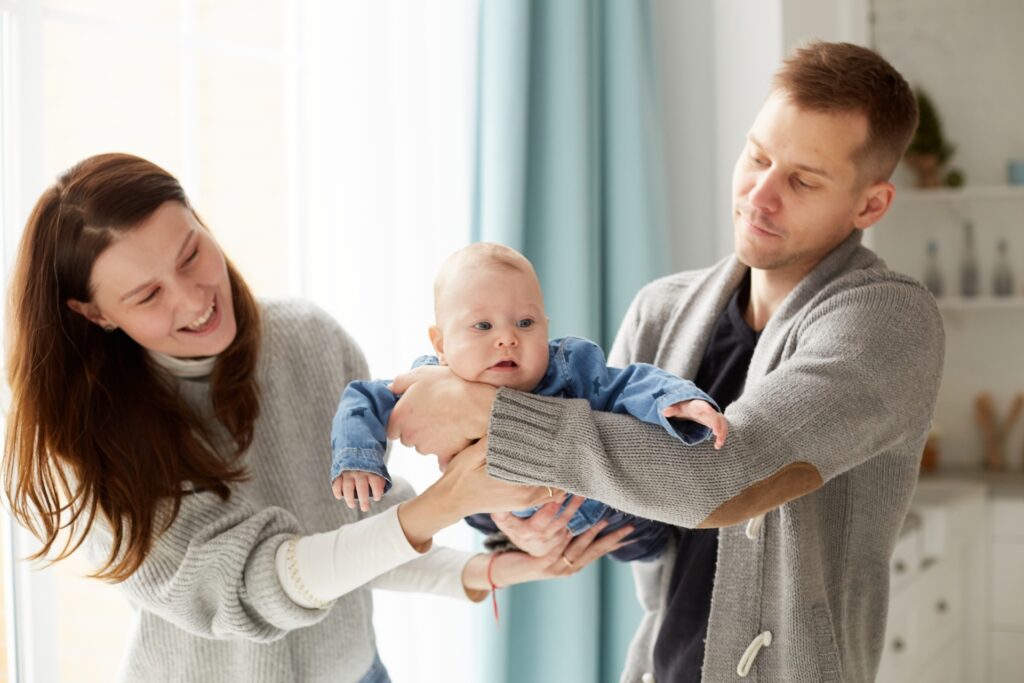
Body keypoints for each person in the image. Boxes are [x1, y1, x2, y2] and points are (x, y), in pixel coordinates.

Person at [381, 41, 945, 682]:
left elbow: (724, 482)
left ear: (870, 205)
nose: (759, 195)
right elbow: (624, 505)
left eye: (802, 180)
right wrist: (533, 526)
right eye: (757, 156)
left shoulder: (890, 321)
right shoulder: (662, 309)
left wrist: (479, 407)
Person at [1, 153, 636, 683]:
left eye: (192, 253)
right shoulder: (89, 442)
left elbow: (359, 531)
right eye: (147, 294)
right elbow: (258, 586)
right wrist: (449, 501)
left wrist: (492, 568)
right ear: (95, 314)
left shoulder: (308, 339)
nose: (195, 299)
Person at [329, 243, 728, 562]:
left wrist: (676, 401)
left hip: (618, 516)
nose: (507, 338)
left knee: (649, 546)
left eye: (525, 323)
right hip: (499, 515)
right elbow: (363, 397)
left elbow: (629, 382)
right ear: (441, 344)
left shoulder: (569, 367)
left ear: (546, 329)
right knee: (485, 515)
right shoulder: (428, 383)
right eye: (482, 326)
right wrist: (358, 457)